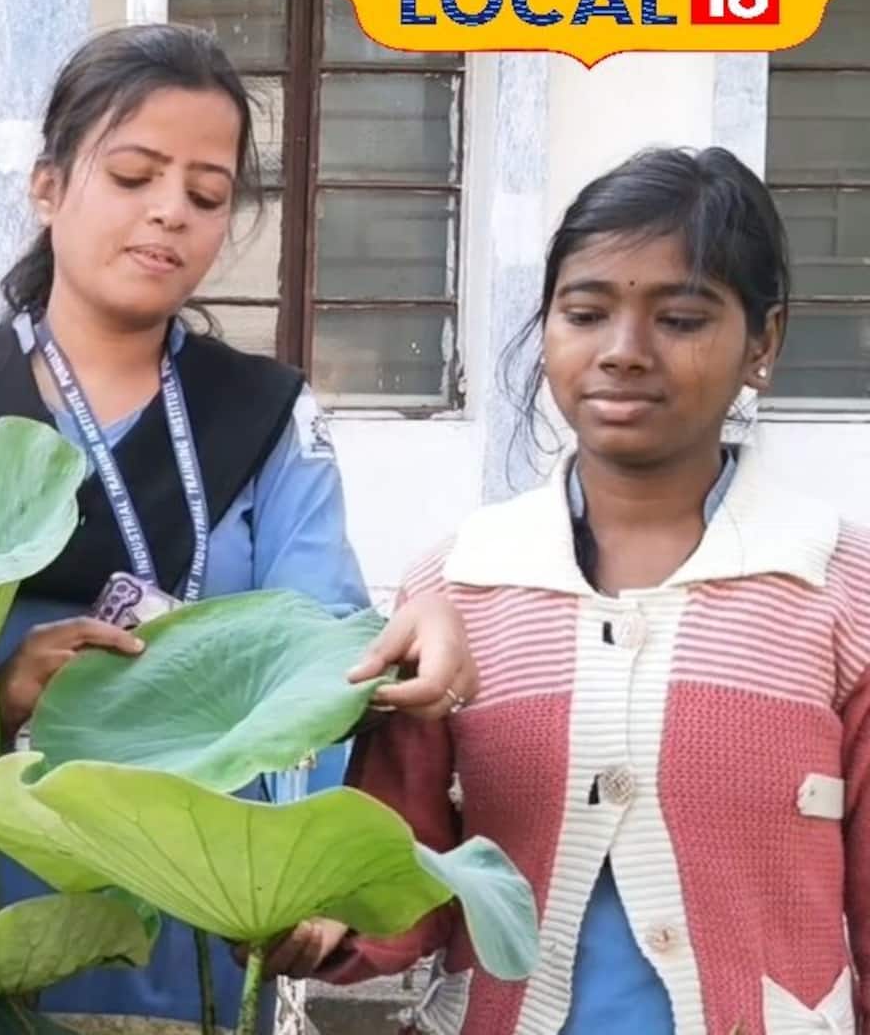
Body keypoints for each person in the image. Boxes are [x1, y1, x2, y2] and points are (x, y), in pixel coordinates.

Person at [0, 23, 479, 1028]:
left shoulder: (265, 416)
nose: (169, 211)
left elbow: (324, 661)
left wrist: (416, 630)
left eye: (205, 195)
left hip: (194, 942)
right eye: (131, 175)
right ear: (46, 187)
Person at [284, 146, 870, 1034]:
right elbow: (409, 874)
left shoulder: (838, 589)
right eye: (586, 312)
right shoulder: (457, 586)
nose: (624, 353)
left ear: (765, 343)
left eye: (679, 318)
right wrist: (329, 924)